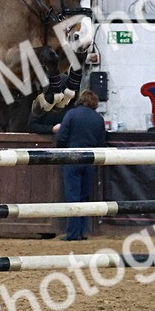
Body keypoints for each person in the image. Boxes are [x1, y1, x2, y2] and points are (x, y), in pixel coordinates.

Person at [54, 90, 106, 241]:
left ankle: (73, 233)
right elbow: (101, 142)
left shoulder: (71, 114)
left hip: (72, 157)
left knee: (72, 195)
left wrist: (61, 151)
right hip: (90, 159)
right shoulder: (98, 119)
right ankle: (83, 231)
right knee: (85, 195)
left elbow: (62, 137)